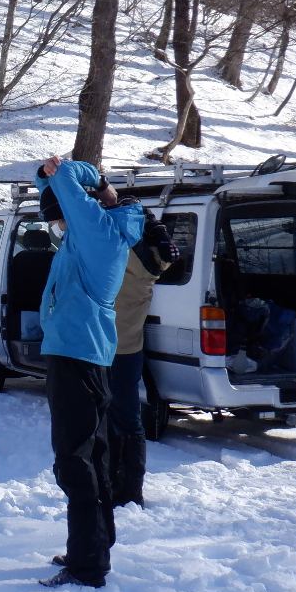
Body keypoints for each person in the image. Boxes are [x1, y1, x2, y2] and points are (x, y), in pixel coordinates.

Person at [34, 157, 144, 588]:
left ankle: (88, 565)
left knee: (74, 461)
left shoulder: (99, 234)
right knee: (92, 457)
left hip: (76, 356)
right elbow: (52, 182)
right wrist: (47, 177)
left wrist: (95, 180)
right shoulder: (88, 239)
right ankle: (93, 546)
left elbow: (64, 177)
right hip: (79, 353)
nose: (55, 228)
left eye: (57, 220)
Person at [109, 206, 178, 508]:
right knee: (129, 419)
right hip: (131, 348)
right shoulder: (155, 261)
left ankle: (117, 486)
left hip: (107, 348)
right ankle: (130, 487)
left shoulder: (119, 256)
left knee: (111, 418)